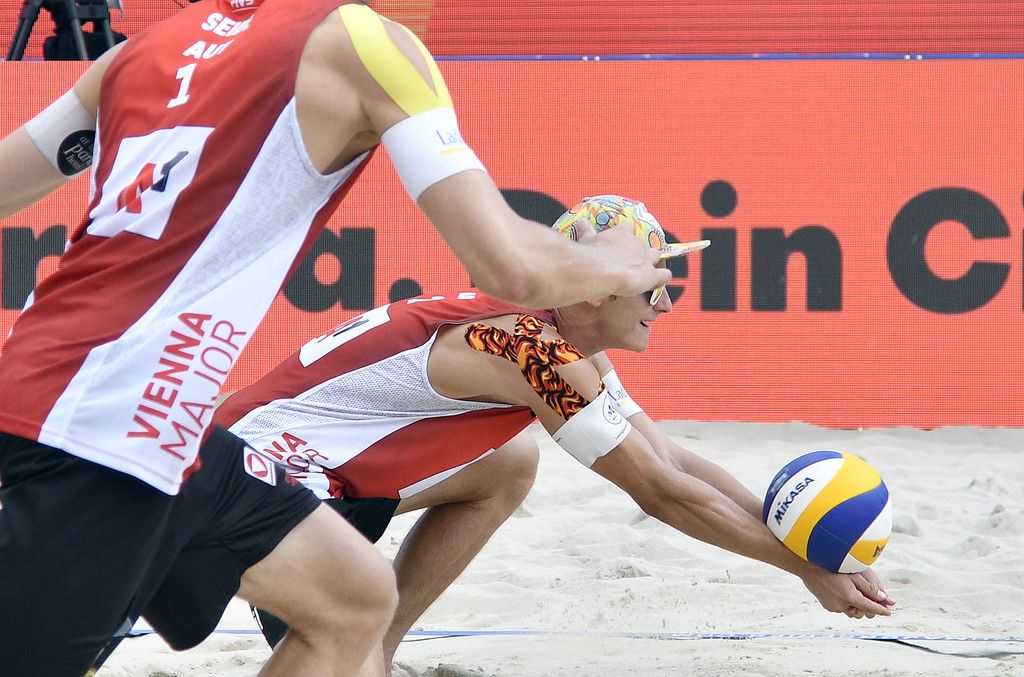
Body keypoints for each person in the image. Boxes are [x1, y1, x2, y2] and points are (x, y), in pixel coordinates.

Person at [0, 0, 670, 671]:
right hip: (103, 427)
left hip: (140, 411)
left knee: (354, 599)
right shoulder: (365, 44)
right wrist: (616, 265)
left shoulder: (141, 51)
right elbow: (511, 268)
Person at [125, 195, 895, 674]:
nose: (667, 298)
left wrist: (796, 542)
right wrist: (801, 568)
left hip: (312, 480)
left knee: (510, 461)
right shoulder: (529, 348)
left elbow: (667, 456)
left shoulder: (559, 340)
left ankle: (376, 651)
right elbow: (660, 493)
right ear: (594, 287)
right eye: (654, 278)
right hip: (234, 484)